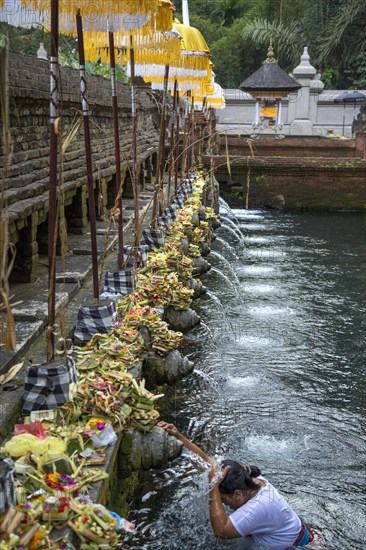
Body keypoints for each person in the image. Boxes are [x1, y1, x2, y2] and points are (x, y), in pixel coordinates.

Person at [158, 421, 314, 549]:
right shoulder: (248, 478)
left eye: (223, 499)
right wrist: (179, 438)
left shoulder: (257, 507)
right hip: (293, 534)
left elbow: (221, 531)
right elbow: (208, 463)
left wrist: (213, 488)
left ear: (237, 494)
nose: (224, 504)